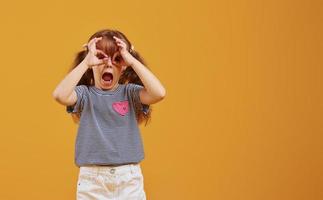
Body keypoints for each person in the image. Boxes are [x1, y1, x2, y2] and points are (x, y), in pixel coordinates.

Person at [52, 29, 166, 200]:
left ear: (124, 66)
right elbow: (60, 95)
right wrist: (85, 62)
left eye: (117, 59)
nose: (109, 64)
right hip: (92, 179)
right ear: (92, 65)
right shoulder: (84, 95)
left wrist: (132, 60)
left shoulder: (130, 93)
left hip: (128, 178)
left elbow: (159, 93)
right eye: (101, 57)